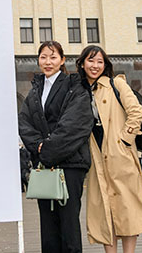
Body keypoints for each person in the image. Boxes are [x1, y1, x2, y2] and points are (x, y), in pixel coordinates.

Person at [77, 45, 142, 253]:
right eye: (91, 61)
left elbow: (136, 112)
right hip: (96, 158)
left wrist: (124, 141)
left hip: (120, 157)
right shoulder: (78, 90)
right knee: (104, 211)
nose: (95, 66)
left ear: (106, 64)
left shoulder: (116, 84)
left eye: (100, 61)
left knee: (128, 210)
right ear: (82, 63)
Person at [18, 41, 92, 253]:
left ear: (62, 60)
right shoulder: (35, 90)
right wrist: (38, 146)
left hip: (70, 164)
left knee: (68, 225)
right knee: (48, 226)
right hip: (44, 167)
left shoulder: (74, 86)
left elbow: (74, 124)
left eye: (53, 57)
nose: (47, 62)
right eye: (43, 57)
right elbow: (24, 123)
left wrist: (47, 150)